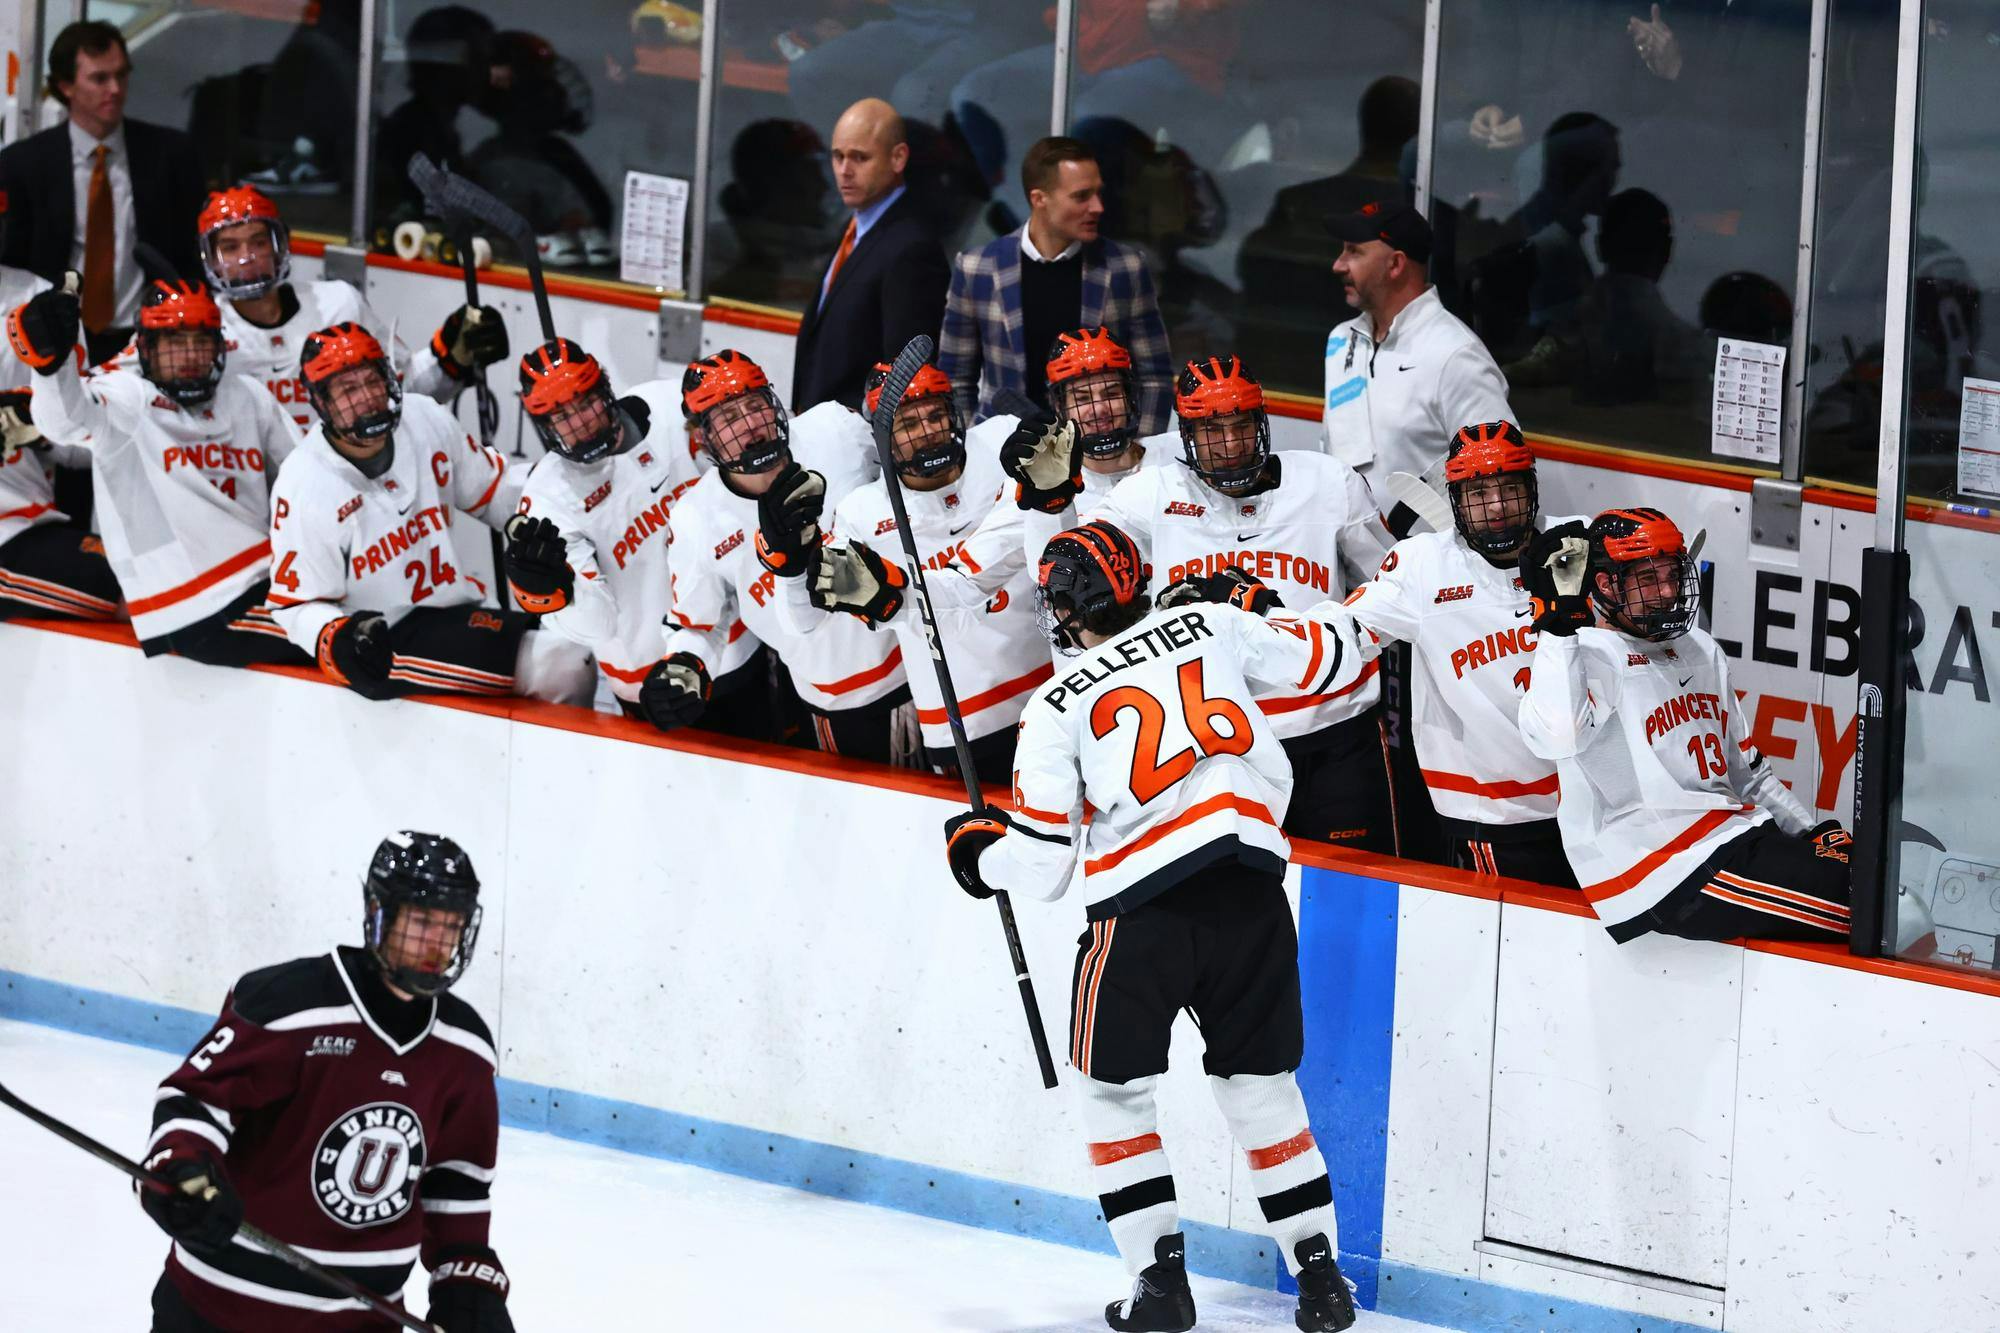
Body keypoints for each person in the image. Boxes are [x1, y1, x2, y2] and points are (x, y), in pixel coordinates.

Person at [939, 519, 1359, 1333]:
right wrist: (1262, 604)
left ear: (1063, 606)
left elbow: (1043, 867)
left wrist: (976, 855)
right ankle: (1321, 1279)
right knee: (1263, 1091)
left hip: (1142, 911)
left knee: (1114, 1096)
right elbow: (1332, 656)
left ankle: (1161, 1287)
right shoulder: (1210, 621)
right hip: (1251, 892)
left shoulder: (1054, 704)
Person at [139, 831, 514, 1332]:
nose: (437, 944)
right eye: (422, 922)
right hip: (218, 1311)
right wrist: (184, 1171)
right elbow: (195, 1103)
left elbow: (457, 1184)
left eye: (451, 926)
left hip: (361, 1321)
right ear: (379, 913)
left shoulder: (465, 1048)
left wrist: (467, 1286)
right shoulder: (287, 1005)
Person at [1026, 355, 1396, 851]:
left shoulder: (1331, 484)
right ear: (1185, 435)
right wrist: (1050, 501)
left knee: (1353, 894)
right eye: (1209, 431)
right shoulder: (1151, 495)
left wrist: (1333, 639)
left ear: (1262, 424)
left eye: (1240, 426)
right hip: (1222, 750)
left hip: (1337, 734)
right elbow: (1067, 572)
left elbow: (1388, 595)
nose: (1227, 445)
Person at [1516, 508, 1861, 942]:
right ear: (1606, 585)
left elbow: (1750, 775)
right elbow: (1557, 737)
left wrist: (1807, 833)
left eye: (1672, 574)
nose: (1666, 590)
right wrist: (1559, 627)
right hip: (1665, 869)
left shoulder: (1700, 648)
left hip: (1732, 840)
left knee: (1868, 880)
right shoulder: (1587, 653)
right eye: (1647, 578)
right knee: (1865, 907)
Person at [265, 322, 594, 704]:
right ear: (320, 403)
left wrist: (562, 490)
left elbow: (493, 492)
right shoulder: (304, 481)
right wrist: (337, 637)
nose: (367, 398)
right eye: (348, 390)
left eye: (372, 380)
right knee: (569, 666)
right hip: (386, 637)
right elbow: (294, 604)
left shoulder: (423, 418)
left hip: (450, 615)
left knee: (576, 628)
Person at [771, 360, 1045, 783]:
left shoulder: (1000, 442)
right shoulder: (862, 513)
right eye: (908, 424)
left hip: (1050, 690)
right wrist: (790, 566)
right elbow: (804, 622)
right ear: (883, 437)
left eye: (935, 415)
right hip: (961, 723)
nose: (926, 430)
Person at [8, 277, 305, 665]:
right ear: (146, 348)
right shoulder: (130, 399)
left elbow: (304, 478)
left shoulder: (246, 394)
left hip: (260, 580)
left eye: (201, 341)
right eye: (175, 342)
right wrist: (52, 366)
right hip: (194, 603)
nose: (190, 354)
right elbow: (64, 421)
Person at [1335, 422, 1580, 885]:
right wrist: (1258, 616)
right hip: (1496, 822)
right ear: (1456, 502)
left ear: (1532, 489)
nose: (1498, 508)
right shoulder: (1424, 566)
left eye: (1509, 489)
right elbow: (1339, 632)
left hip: (1594, 813)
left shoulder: (1579, 547)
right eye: (1478, 494)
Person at [808, 326, 1171, 633]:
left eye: (1111, 393)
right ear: (1059, 406)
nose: (1099, 409)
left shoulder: (1178, 460)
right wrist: (892, 595)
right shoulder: (1034, 494)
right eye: (1081, 397)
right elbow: (963, 586)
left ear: (1131, 395)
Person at [654, 349, 913, 756]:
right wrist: (683, 665)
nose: (751, 425)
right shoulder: (695, 517)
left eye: (755, 406)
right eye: (730, 419)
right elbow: (699, 623)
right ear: (702, 437)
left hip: (919, 671)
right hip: (829, 704)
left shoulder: (834, 428)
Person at [505, 337, 749, 717]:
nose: (581, 423)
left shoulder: (671, 406)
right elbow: (598, 625)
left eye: (585, 404)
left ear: (605, 389)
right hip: (652, 680)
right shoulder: (548, 499)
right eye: (562, 417)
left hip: (736, 645)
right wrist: (557, 594)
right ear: (544, 426)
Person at [197, 184, 507, 430]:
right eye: (230, 247)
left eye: (259, 242)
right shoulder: (202, 333)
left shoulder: (339, 304)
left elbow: (403, 390)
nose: (247, 257)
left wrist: (449, 360)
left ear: (281, 245)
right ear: (210, 259)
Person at [938, 137, 1173, 435]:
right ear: (1039, 199)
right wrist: (973, 445)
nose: (1098, 207)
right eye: (1081, 196)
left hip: (1100, 450)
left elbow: (1154, 377)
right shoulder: (977, 268)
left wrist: (1140, 449)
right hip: (1003, 450)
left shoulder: (1125, 267)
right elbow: (954, 377)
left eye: (1098, 193)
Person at [0, 21, 204, 363]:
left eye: (121, 75)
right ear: (66, 86)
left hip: (147, 340)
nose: (115, 89)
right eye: (99, 78)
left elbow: (190, 253)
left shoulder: (170, 154)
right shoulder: (23, 164)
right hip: (59, 337)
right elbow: (14, 264)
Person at [1322, 202, 1514, 532]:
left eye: (1354, 252)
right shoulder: (1341, 340)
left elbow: (1504, 474)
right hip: (1348, 564)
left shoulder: (1455, 354)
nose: (1338, 265)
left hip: (1429, 573)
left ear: (1396, 264)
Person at [790, 99, 949, 415]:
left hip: (859, 445)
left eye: (860, 158)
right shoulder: (855, 226)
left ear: (898, 157)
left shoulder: (912, 248)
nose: (845, 171)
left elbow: (904, 375)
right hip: (819, 431)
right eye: (837, 157)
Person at [0, 262, 120, 622]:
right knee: (145, 594)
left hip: (27, 525)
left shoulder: (35, 300)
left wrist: (37, 427)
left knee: (150, 573)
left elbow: (80, 448)